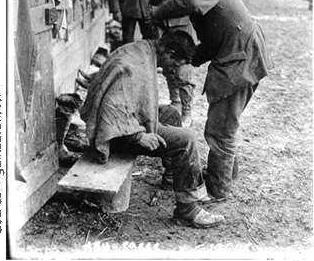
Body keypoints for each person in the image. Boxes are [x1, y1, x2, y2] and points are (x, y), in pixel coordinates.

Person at [80, 30, 224, 228]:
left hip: (121, 125)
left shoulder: (142, 50)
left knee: (171, 113)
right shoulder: (133, 65)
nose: (173, 70)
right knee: (186, 139)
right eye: (175, 63)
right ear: (168, 52)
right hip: (114, 136)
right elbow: (112, 108)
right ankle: (187, 210)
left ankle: (172, 176)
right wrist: (138, 136)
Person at [152, 0, 274, 201]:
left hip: (240, 59)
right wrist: (188, 57)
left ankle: (218, 190)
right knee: (225, 124)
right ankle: (225, 174)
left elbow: (194, 1)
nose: (167, 3)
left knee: (220, 131)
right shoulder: (203, 1)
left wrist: (158, 12)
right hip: (239, 55)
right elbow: (212, 43)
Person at [151, 0, 201, 128]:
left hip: (184, 27)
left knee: (182, 71)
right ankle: (175, 103)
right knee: (168, 68)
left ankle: (187, 110)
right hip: (165, 28)